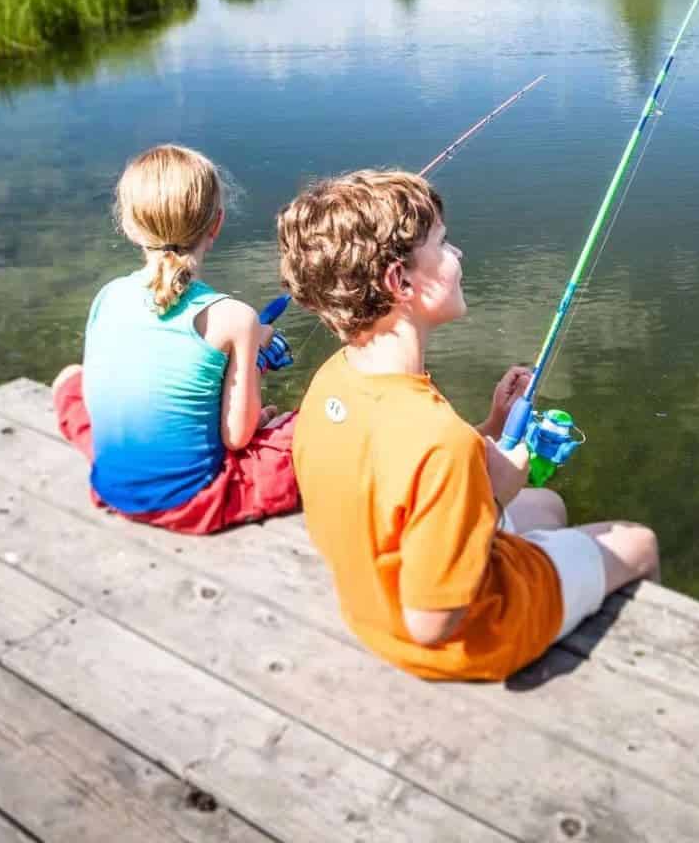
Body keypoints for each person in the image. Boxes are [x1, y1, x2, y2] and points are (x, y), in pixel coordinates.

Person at [276, 168, 657, 680]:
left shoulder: (333, 382)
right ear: (400, 280)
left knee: (547, 503)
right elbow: (432, 621)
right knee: (639, 543)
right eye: (444, 244)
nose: (459, 256)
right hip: (461, 639)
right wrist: (495, 495)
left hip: (370, 609)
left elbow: (401, 476)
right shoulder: (438, 440)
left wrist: (494, 426)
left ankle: (557, 567)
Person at [51, 143, 298, 534]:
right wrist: (254, 364)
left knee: (70, 378)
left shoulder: (108, 295)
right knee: (309, 429)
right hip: (191, 502)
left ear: (130, 227)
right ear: (216, 225)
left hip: (114, 487)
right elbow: (236, 438)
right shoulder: (236, 318)